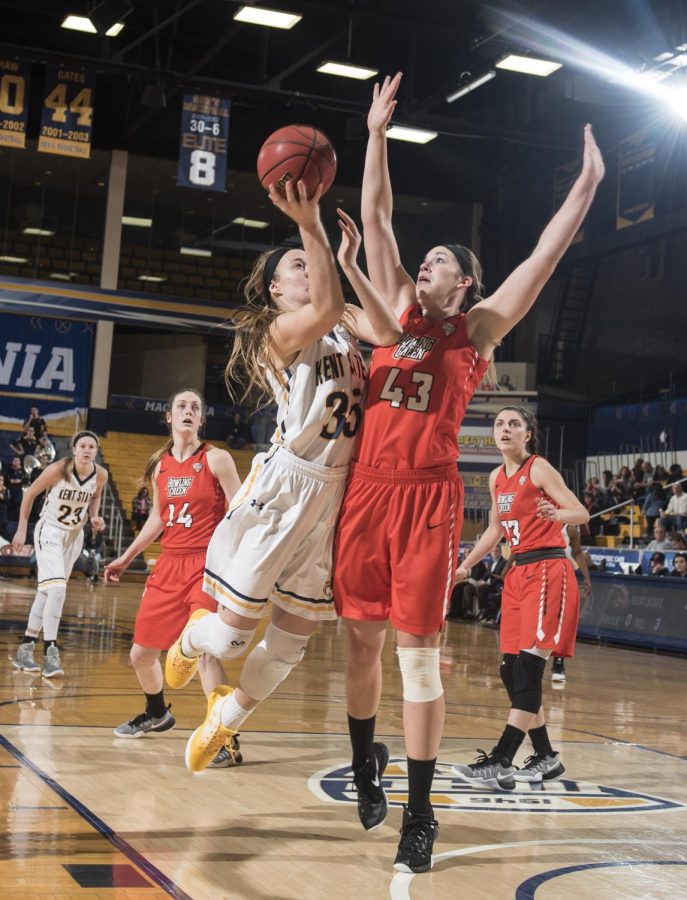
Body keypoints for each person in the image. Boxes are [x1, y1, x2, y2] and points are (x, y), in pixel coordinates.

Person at [332, 70, 604, 875]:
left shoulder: (476, 332)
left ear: (466, 283)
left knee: (415, 657)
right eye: (425, 259)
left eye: (441, 260)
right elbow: (374, 216)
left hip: (425, 502)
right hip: (365, 494)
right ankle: (361, 763)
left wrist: (586, 185)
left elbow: (545, 254)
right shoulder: (390, 310)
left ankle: (419, 815)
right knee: (357, 647)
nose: (425, 263)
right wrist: (374, 134)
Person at [163, 184, 401, 773]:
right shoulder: (277, 329)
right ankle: (194, 640)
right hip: (285, 487)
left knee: (292, 643)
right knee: (233, 639)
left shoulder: (343, 317)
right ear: (276, 289)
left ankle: (228, 720)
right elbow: (322, 308)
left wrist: (347, 264)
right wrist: (310, 223)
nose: (305, 268)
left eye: (306, 261)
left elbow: (394, 334)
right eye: (296, 264)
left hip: (337, 492)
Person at [453, 407, 589, 793]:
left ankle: (500, 759)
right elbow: (495, 530)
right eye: (499, 424)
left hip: (549, 569)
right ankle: (546, 756)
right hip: (517, 573)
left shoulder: (540, 469)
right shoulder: (497, 477)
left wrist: (557, 512)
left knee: (528, 671)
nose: (505, 429)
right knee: (509, 671)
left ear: (528, 434)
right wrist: (465, 566)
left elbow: (581, 512)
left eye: (514, 424)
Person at [104, 389, 242, 762]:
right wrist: (126, 557)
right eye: (181, 405)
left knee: (207, 652)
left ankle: (223, 738)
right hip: (168, 564)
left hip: (206, 566)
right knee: (140, 655)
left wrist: (240, 565)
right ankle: (156, 713)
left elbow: (241, 512)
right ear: (169, 417)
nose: (188, 411)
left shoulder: (217, 459)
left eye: (195, 407)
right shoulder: (159, 465)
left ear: (201, 420)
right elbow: (158, 518)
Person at [11, 431, 108, 678]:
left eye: (92, 447)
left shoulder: (101, 475)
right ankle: (50, 653)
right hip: (50, 531)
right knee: (57, 590)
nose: (88, 450)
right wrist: (22, 529)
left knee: (47, 591)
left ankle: (25, 648)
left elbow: (95, 497)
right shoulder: (59, 469)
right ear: (74, 449)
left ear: (95, 452)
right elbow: (30, 493)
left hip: (75, 536)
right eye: (83, 446)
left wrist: (95, 516)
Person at [551, 524, 592, 684]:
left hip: (561, 575)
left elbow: (578, 552)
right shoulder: (539, 520)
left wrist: (586, 577)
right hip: (539, 571)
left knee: (560, 620)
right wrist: (507, 567)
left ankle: (558, 662)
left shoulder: (569, 529)